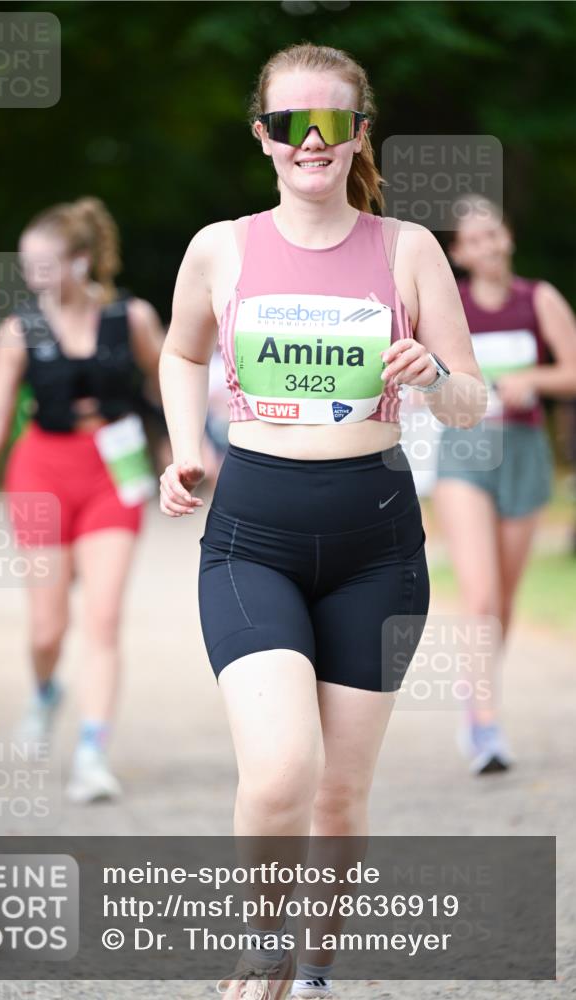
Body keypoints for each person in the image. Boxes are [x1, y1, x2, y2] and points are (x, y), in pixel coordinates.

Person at [159, 43, 486, 1000]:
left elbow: (472, 400)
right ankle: (258, 950)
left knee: (339, 796)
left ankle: (313, 971)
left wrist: (434, 377)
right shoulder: (220, 247)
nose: (311, 140)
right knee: (278, 773)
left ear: (358, 136)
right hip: (249, 538)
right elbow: (183, 356)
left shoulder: (408, 249)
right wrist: (188, 447)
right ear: (261, 136)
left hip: (377, 550)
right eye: (289, 123)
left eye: (333, 123)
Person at [0, 197, 164, 804]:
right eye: (27, 266)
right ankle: (44, 694)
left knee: (104, 617)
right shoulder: (20, 329)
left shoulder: (131, 317)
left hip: (113, 472)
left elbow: (169, 379)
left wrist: (184, 449)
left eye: (45, 264)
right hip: (41, 471)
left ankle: (92, 751)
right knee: (47, 629)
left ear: (81, 261)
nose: (35, 277)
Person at [433, 195, 576, 775]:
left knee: (508, 600)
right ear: (459, 253)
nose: (489, 246)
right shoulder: (452, 307)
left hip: (522, 452)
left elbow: (572, 370)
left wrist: (531, 379)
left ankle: (476, 696)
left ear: (508, 238)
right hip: (465, 453)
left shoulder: (537, 299)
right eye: (476, 239)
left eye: (496, 234)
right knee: (483, 596)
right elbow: (428, 378)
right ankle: (487, 727)